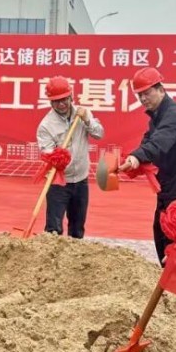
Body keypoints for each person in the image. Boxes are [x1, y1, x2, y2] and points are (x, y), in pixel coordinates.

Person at [118, 67, 176, 266]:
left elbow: (160, 142)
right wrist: (132, 160)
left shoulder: (174, 114)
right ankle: (167, 280)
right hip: (168, 189)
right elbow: (148, 141)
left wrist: (137, 157)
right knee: (161, 236)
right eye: (139, 95)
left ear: (161, 89)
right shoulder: (158, 115)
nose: (143, 98)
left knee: (175, 246)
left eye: (147, 93)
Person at [36, 76, 104, 238]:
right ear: (50, 102)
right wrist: (57, 157)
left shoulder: (83, 113)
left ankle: (75, 252)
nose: (61, 104)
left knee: (77, 228)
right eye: (56, 101)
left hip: (81, 180)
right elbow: (47, 153)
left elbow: (99, 133)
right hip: (58, 182)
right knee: (53, 229)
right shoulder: (46, 125)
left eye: (64, 99)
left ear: (71, 96)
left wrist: (87, 120)